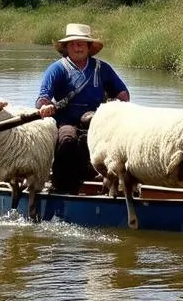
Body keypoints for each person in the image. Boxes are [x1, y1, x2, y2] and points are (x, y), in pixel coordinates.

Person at [36, 23, 130, 194]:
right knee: (67, 141)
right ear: (66, 47)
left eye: (81, 43)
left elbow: (123, 94)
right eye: (73, 43)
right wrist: (46, 107)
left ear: (88, 46)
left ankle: (116, 185)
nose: (77, 47)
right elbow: (43, 98)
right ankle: (60, 185)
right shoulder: (57, 69)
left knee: (120, 146)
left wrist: (115, 105)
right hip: (67, 122)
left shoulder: (102, 69)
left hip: (98, 123)